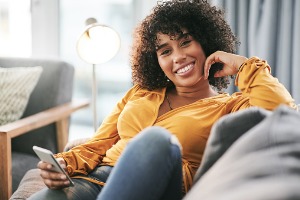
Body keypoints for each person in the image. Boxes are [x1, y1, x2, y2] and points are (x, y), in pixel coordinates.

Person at [28, 0, 297, 199]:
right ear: (156, 61)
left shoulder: (230, 106)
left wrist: (244, 66)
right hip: (95, 181)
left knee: (156, 140)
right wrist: (65, 164)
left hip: (161, 189)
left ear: (206, 43)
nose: (177, 57)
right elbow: (100, 144)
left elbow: (283, 114)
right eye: (165, 51)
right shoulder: (141, 92)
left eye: (186, 42)